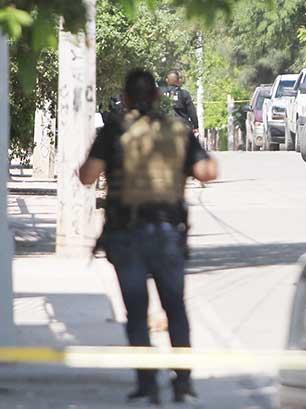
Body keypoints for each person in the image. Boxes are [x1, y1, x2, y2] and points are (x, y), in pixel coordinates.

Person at [78, 69, 218, 405]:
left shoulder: (113, 130)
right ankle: (182, 382)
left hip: (126, 235)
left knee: (136, 311)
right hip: (168, 234)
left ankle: (146, 383)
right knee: (175, 308)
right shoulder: (176, 130)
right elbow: (207, 172)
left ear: (124, 97)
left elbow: (87, 176)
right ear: (157, 97)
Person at [163, 70, 199, 135]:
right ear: (178, 81)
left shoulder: (159, 93)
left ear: (166, 80)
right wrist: (196, 126)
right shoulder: (184, 94)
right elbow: (191, 111)